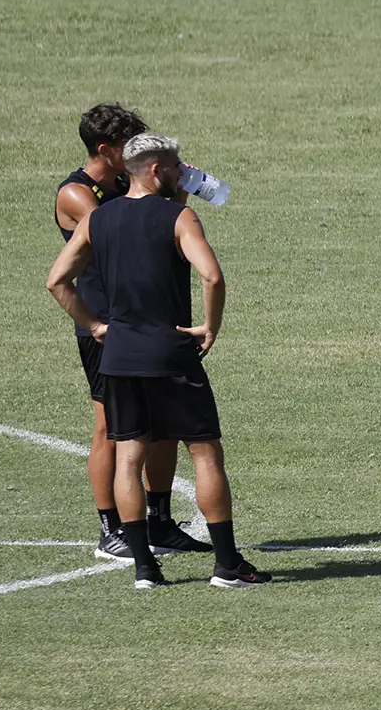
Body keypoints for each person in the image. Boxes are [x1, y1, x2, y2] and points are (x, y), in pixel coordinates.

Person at [47, 133, 269, 590]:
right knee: (206, 454)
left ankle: (145, 569)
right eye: (173, 166)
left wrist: (94, 325)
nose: (180, 172)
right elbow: (212, 275)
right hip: (170, 353)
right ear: (154, 170)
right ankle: (228, 565)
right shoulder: (179, 217)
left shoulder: (99, 219)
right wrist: (210, 326)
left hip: (120, 357)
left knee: (128, 457)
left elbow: (57, 281)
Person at [58, 103, 191, 562]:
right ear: (104, 150)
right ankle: (110, 527)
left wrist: (175, 187)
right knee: (110, 428)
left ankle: (159, 521)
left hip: (142, 320)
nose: (134, 151)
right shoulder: (78, 195)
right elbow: (129, 231)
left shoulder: (123, 184)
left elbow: (159, 225)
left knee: (163, 428)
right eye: (125, 146)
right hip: (104, 327)